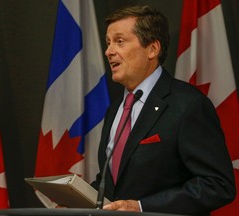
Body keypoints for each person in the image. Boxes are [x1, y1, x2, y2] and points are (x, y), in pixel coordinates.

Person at [91, 5, 235, 215]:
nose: (109, 51)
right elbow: (116, 182)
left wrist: (141, 207)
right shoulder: (115, 109)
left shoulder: (188, 104)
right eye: (108, 43)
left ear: (152, 49)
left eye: (119, 41)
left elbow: (217, 185)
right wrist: (73, 197)